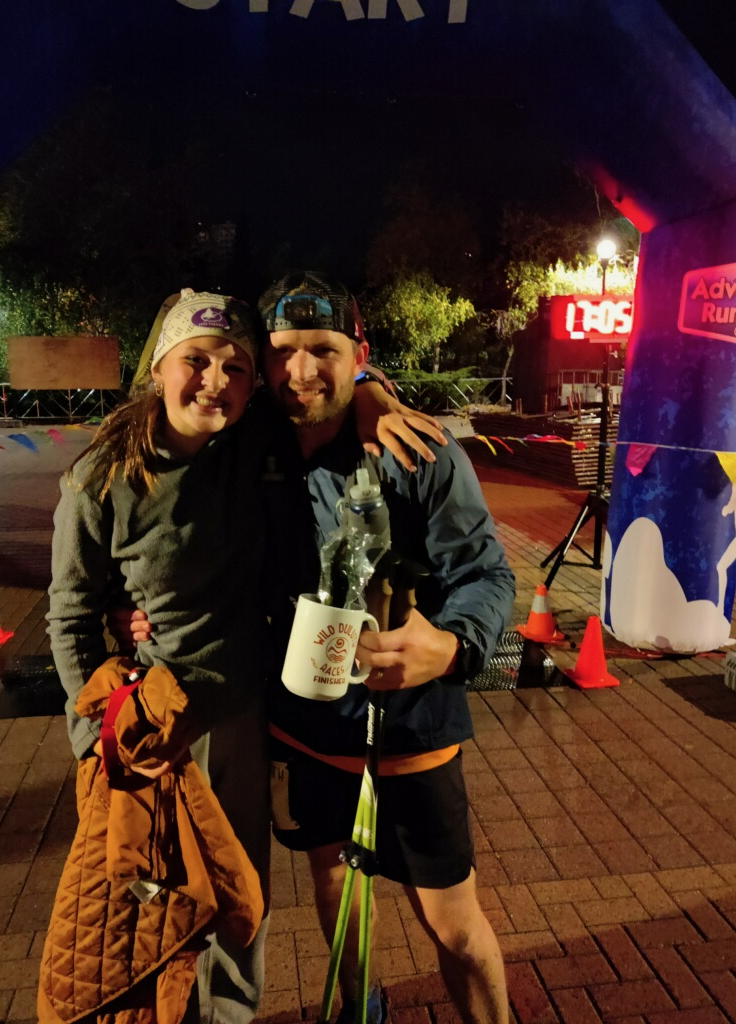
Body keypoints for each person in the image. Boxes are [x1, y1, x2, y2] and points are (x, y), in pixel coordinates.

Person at [48, 287, 445, 1024]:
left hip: (239, 717)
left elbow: (322, 389)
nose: (215, 382)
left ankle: (232, 1016)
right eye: (196, 361)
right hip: (149, 731)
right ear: (159, 367)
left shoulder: (249, 440)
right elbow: (68, 614)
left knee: (240, 899)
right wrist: (93, 745)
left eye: (234, 367)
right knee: (152, 907)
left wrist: (371, 395)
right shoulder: (101, 478)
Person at [256, 271, 515, 1024]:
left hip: (409, 733)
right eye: (284, 350)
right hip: (302, 729)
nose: (301, 371)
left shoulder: (417, 451)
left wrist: (454, 645)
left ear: (359, 355)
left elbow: (486, 574)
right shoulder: (250, 445)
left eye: (324, 350)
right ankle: (361, 1009)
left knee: (453, 924)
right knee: (337, 888)